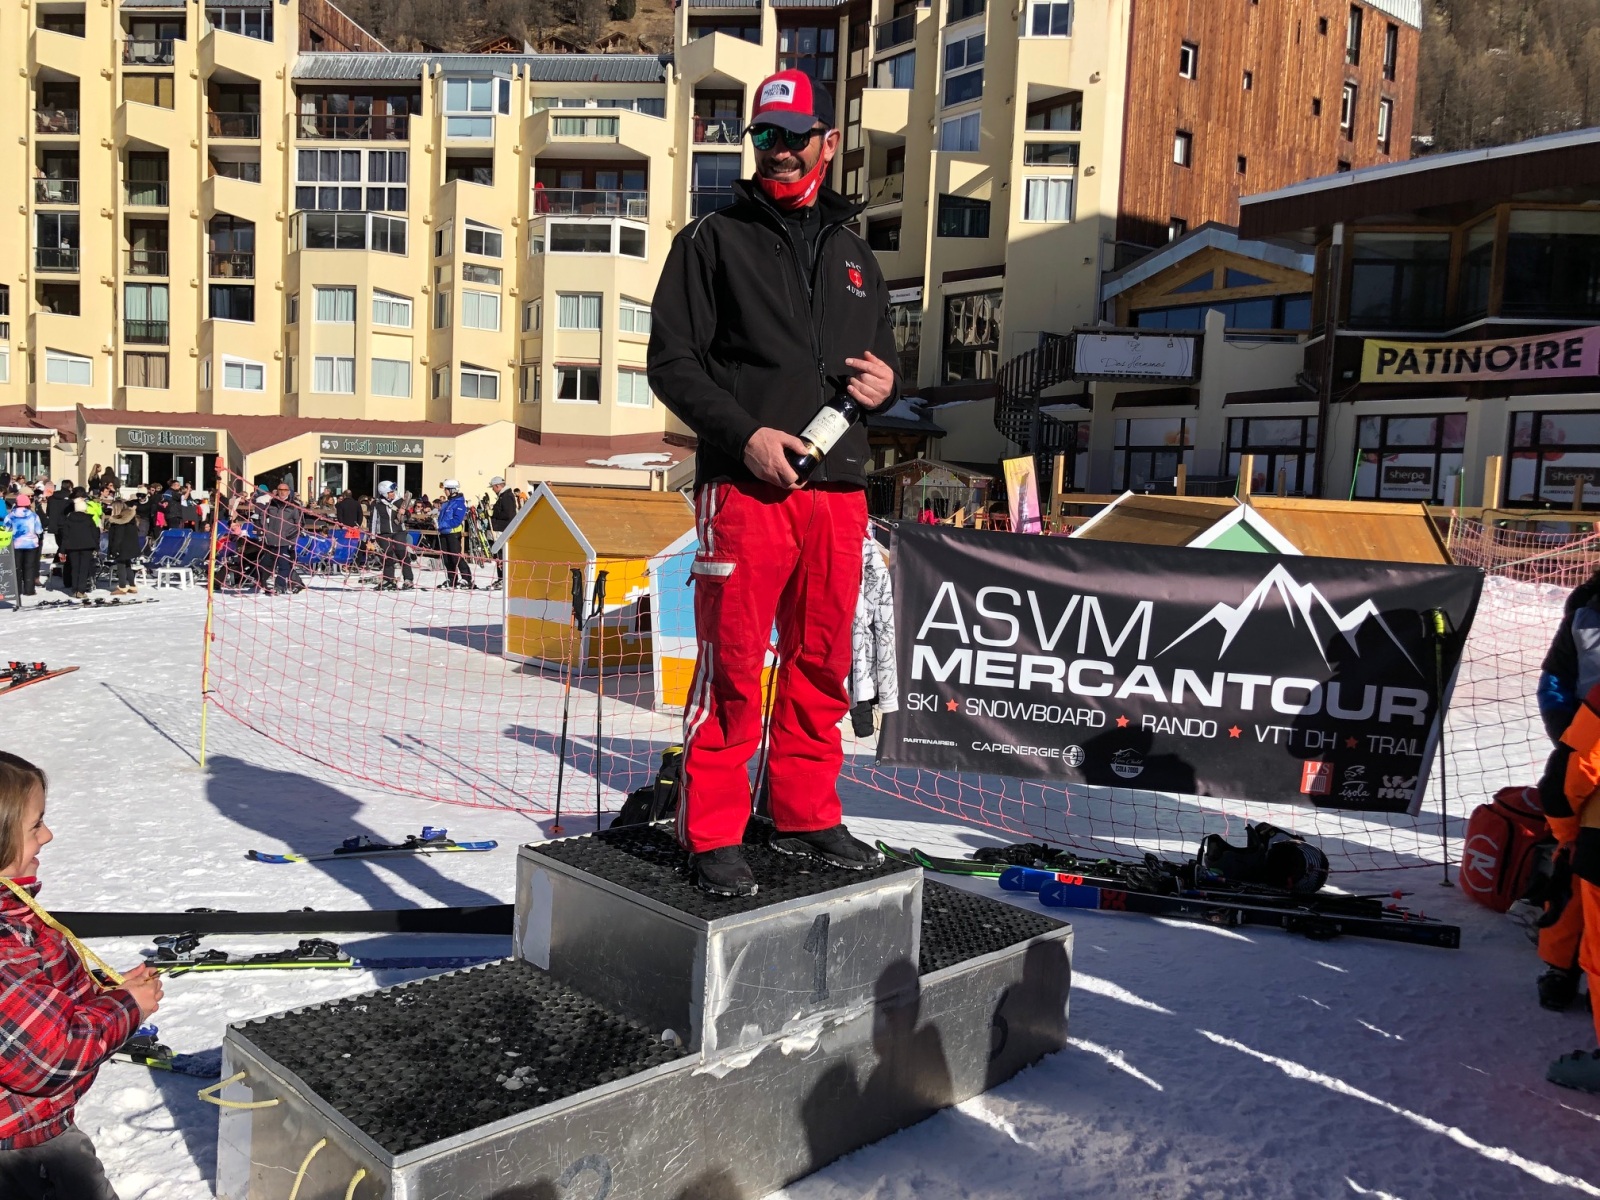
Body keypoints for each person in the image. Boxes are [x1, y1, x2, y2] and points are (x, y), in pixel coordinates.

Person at [648, 69, 900, 896]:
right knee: (732, 666)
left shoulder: (857, 255)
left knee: (822, 662)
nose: (780, 151)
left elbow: (882, 361)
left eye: (795, 136)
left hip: (839, 489)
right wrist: (745, 437)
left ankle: (804, 811)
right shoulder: (710, 239)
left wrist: (886, 385)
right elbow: (671, 364)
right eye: (765, 136)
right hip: (747, 488)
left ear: (830, 141)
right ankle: (713, 830)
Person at [0, 752, 163, 1199]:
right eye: (35, 825)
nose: (47, 835)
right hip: (23, 1152)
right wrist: (126, 1007)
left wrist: (107, 994)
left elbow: (37, 1002)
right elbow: (49, 1058)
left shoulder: (13, 913)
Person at [1534, 573, 1600, 1011]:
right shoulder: (1587, 607)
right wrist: (1569, 737)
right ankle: (1560, 966)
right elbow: (1556, 678)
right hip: (1586, 746)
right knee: (1574, 859)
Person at [256, 479, 303, 596]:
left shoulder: (294, 506)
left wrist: (290, 536)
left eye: (285, 490)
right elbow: (262, 516)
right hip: (271, 540)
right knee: (266, 564)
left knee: (284, 565)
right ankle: (297, 583)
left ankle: (279, 586)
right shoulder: (271, 503)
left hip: (286, 541)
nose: (282, 492)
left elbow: (300, 524)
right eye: (280, 490)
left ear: (289, 492)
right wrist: (265, 530)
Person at [369, 481, 414, 591]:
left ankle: (408, 579)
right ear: (384, 493)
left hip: (399, 531)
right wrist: (372, 536)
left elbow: (408, 516)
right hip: (384, 532)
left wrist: (404, 513)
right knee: (387, 556)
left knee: (401, 553)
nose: (393, 493)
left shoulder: (400, 501)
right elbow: (373, 520)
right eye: (390, 492)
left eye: (393, 491)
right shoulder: (377, 503)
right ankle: (388, 580)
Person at [57, 491, 99, 599]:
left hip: (72, 547)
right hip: (87, 546)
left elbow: (65, 536)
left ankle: (74, 589)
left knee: (74, 568)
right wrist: (96, 546)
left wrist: (62, 550)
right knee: (84, 568)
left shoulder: (68, 519)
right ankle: (81, 590)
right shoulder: (89, 519)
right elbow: (95, 533)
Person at [3, 496, 42, 597]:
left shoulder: (10, 516)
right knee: (30, 567)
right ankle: (29, 590)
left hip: (15, 544)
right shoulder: (33, 516)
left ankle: (17, 589)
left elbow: (6, 529)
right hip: (31, 544)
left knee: (17, 567)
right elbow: (39, 530)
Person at [435, 479, 469, 590]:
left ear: (452, 490)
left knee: (456, 557)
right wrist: (436, 523)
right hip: (444, 533)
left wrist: (442, 525)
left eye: (446, 489)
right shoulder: (447, 503)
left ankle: (467, 579)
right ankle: (452, 578)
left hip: (453, 533)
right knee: (446, 558)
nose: (444, 491)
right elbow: (442, 517)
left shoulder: (459, 503)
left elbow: (457, 520)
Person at [104, 500, 140, 595]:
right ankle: (132, 585)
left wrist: (114, 549)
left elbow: (118, 537)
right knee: (127, 565)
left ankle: (122, 587)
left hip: (121, 546)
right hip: (129, 546)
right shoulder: (130, 519)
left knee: (121, 566)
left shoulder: (119, 521)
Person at [487, 476, 518, 587]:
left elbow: (508, 514)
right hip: (499, 528)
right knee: (498, 555)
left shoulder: (506, 497)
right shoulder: (503, 496)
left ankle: (503, 578)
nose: (492, 489)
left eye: (493, 487)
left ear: (498, 486)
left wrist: (493, 515)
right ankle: (501, 578)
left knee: (501, 555)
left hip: (502, 529)